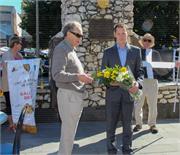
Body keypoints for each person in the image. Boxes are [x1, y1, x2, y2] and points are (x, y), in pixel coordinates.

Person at [101, 23, 144, 155]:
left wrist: (137, 83)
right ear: (114, 35)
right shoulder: (108, 52)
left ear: (127, 34)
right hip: (113, 95)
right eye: (118, 33)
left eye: (123, 33)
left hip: (129, 94)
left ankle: (127, 150)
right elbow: (103, 74)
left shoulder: (136, 51)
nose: (121, 36)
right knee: (110, 126)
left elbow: (140, 72)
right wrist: (110, 83)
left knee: (128, 126)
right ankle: (111, 150)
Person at [51, 21, 93, 155]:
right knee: (68, 134)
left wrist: (83, 77)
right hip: (68, 96)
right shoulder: (61, 49)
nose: (80, 38)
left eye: (81, 35)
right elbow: (57, 75)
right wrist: (79, 77)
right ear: (68, 33)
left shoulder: (70, 49)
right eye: (78, 34)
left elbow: (72, 73)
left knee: (69, 133)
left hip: (72, 96)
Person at [133, 33, 160, 134]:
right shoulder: (137, 52)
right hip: (140, 81)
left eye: (149, 40)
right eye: (145, 40)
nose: (147, 42)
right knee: (138, 103)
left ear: (152, 42)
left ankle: (152, 124)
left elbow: (161, 68)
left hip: (152, 81)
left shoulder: (156, 53)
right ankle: (138, 124)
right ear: (142, 41)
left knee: (152, 104)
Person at [1, 35, 23, 132]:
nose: (21, 46)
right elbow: (8, 69)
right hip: (9, 85)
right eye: (20, 44)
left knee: (18, 104)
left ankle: (17, 123)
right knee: (10, 105)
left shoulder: (20, 55)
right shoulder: (6, 55)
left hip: (19, 85)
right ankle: (11, 124)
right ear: (15, 44)